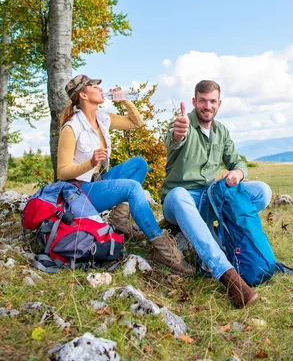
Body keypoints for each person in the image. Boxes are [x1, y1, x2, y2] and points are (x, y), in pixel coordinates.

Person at [57, 74, 194, 276]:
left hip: (96, 183)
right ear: (84, 95)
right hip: (79, 194)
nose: (99, 88)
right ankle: (164, 250)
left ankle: (120, 220)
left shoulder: (102, 118)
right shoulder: (71, 128)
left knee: (139, 164)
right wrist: (91, 162)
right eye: (94, 85)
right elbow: (62, 172)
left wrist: (125, 100)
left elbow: (136, 122)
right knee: (131, 188)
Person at [162, 80, 272, 307]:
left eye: (212, 101)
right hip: (180, 199)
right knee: (179, 195)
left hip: (209, 197)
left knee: (262, 191)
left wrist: (237, 174)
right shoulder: (181, 125)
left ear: (219, 104)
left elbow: (238, 161)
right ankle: (227, 274)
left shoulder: (221, 131)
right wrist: (178, 135)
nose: (207, 106)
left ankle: (225, 236)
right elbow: (173, 141)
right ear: (194, 102)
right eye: (202, 100)